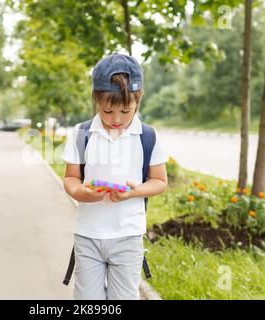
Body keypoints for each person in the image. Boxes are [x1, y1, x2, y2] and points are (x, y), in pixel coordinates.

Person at [61, 52, 169, 300]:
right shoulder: (81, 133)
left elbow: (160, 181)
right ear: (96, 100)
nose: (116, 119)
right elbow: (70, 178)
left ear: (138, 100)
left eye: (125, 110)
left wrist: (135, 192)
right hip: (88, 234)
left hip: (128, 236)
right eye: (108, 111)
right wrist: (81, 193)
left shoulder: (147, 136)